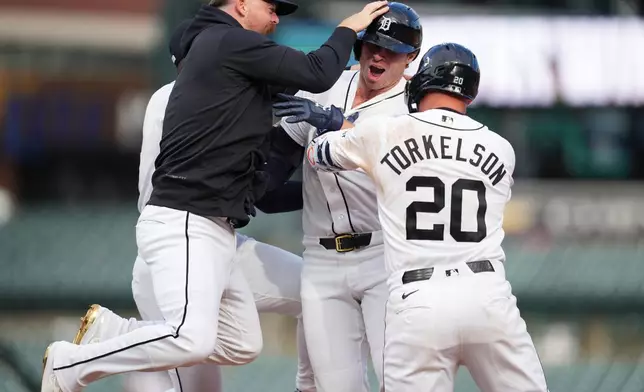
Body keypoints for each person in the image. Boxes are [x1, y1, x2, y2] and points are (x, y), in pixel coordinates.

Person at [41, 0, 390, 390]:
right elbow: (315, 73)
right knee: (191, 345)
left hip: (215, 231)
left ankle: (117, 334)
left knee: (242, 343)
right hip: (185, 227)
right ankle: (74, 362)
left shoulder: (225, 78)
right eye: (270, 6)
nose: (276, 17)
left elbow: (265, 182)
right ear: (240, 4)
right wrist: (348, 28)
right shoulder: (221, 48)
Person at [274, 42, 550, 392]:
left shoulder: (386, 131)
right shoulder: (501, 148)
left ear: (421, 82)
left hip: (419, 297)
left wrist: (333, 122)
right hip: (488, 293)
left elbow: (318, 154)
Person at [66, 20, 314, 392]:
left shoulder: (206, 98)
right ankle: (114, 336)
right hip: (178, 249)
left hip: (215, 239)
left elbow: (255, 187)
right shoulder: (187, 98)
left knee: (316, 292)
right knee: (196, 381)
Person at [268, 3, 422, 391]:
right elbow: (269, 179)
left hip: (384, 256)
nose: (379, 54)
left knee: (400, 379)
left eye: (392, 49)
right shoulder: (326, 86)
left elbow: (397, 165)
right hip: (321, 260)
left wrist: (339, 123)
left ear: (411, 59)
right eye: (373, 43)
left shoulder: (414, 105)